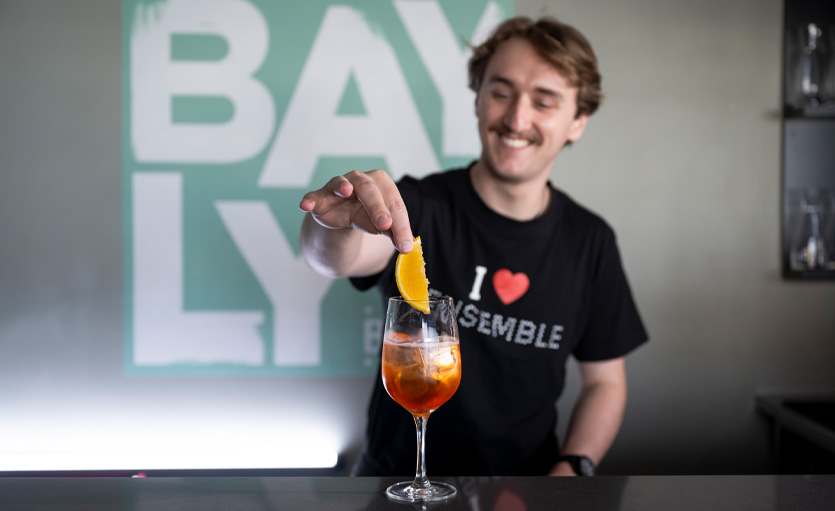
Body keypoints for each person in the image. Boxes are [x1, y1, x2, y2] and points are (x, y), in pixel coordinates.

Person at [298, 16, 648, 477]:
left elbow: (605, 382)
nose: (517, 118)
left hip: (529, 492)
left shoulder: (591, 240)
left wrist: (573, 468)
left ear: (577, 122)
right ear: (478, 100)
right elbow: (333, 259)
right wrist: (333, 221)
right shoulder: (418, 206)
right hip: (395, 485)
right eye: (501, 92)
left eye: (544, 101)